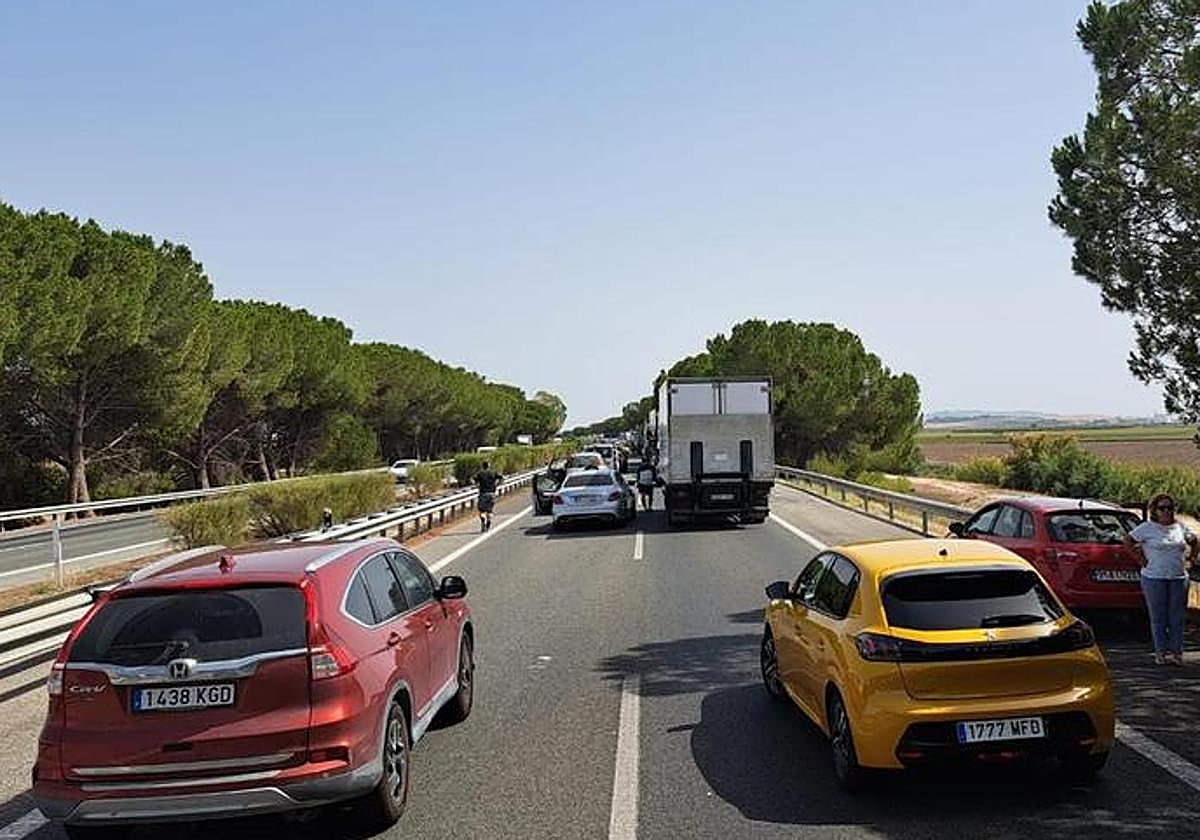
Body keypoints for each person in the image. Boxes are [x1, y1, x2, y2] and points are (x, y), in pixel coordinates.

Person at [1125, 493, 1200, 666]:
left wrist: (1192, 558)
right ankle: (1160, 652)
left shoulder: (1179, 527)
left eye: (1170, 508)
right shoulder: (1147, 528)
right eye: (1162, 508)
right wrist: (1140, 559)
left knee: (1177, 617)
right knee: (1158, 617)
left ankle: (1177, 653)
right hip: (1154, 577)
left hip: (1178, 577)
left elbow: (1194, 541)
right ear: (1154, 510)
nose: (1166, 512)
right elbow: (1127, 541)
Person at [473, 461, 503, 532]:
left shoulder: (480, 473)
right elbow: (501, 478)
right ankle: (488, 522)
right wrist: (497, 485)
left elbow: (473, 479)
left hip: (483, 493)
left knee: (482, 510)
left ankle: (483, 522)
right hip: (492, 493)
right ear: (489, 465)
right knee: (490, 510)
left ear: (483, 466)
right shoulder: (493, 472)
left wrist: (477, 485)